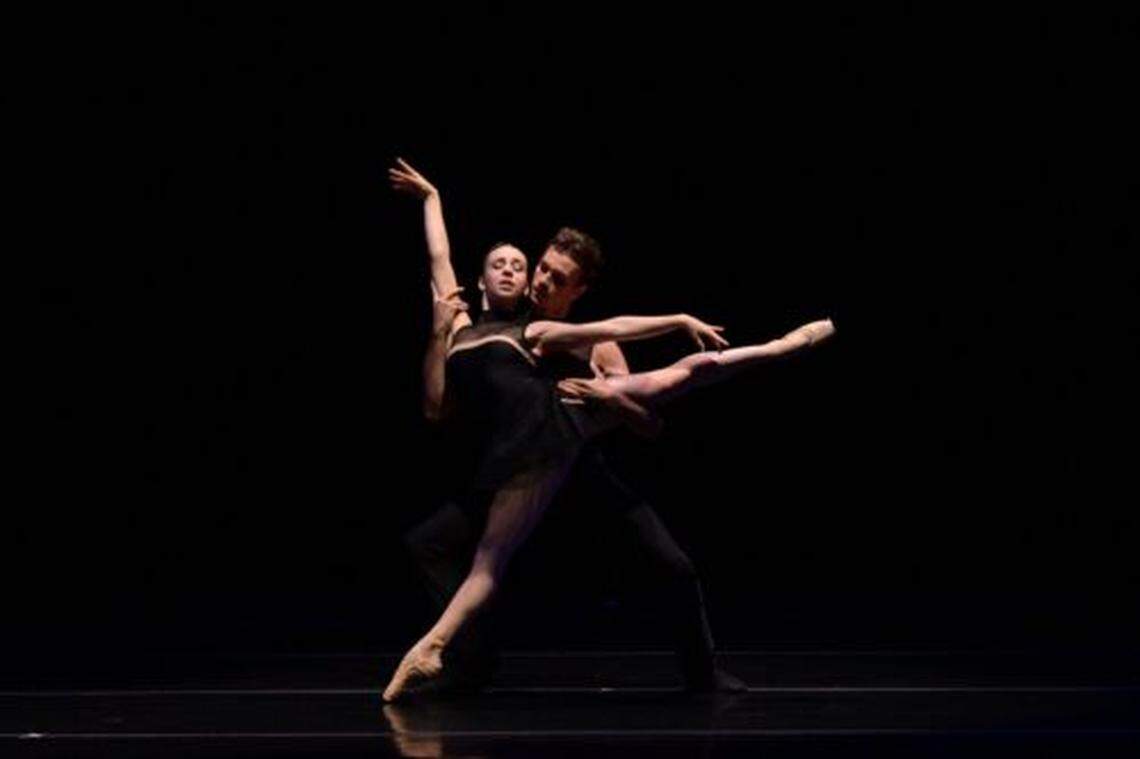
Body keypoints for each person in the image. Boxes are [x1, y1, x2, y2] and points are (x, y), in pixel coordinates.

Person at [384, 159, 835, 701]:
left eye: (553, 277)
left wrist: (610, 395)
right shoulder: (495, 327)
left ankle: (702, 673)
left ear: (578, 290)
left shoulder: (590, 343)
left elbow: (649, 423)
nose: (538, 280)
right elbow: (441, 278)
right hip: (512, 463)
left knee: (673, 565)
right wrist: (431, 200)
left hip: (580, 462)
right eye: (539, 269)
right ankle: (469, 659)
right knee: (434, 543)